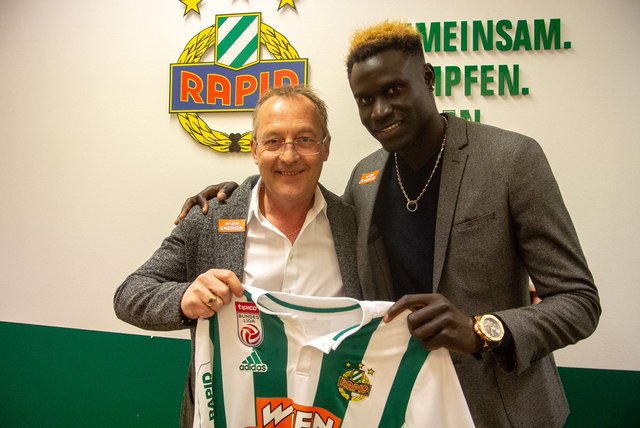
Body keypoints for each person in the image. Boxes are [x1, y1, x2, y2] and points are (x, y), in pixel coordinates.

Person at [176, 21, 601, 427]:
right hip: (391, 406)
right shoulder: (365, 178)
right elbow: (297, 194)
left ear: (428, 79)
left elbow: (579, 301)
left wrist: (481, 331)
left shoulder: (512, 160)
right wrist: (238, 193)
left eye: (394, 90)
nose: (380, 111)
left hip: (497, 408)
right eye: (365, 99)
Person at [114, 85, 362, 427]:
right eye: (273, 141)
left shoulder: (354, 224)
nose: (289, 155)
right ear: (254, 150)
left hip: (327, 416)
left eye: (305, 139)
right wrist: (184, 298)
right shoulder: (209, 219)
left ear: (326, 147)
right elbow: (130, 295)